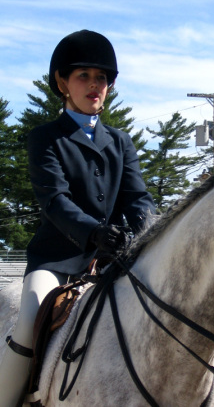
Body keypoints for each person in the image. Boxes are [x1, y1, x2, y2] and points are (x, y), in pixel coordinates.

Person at [0, 30, 156, 406]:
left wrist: (138, 233)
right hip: (57, 261)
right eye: (83, 76)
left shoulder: (121, 142)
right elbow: (55, 201)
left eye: (100, 77)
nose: (94, 85)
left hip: (114, 260)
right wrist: (95, 233)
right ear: (62, 83)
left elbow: (139, 198)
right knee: (27, 321)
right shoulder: (45, 138)